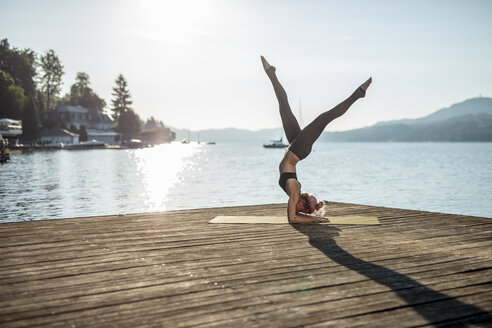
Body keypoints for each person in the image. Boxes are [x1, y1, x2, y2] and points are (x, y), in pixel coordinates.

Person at [261, 56, 372, 223]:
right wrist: (314, 219)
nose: (292, 207)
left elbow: (293, 218)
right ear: (301, 205)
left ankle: (271, 73)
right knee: (325, 117)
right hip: (298, 150)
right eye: (299, 209)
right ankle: (358, 94)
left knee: (283, 107)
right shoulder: (295, 190)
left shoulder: (294, 193)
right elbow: (293, 218)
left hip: (294, 147)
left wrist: (311, 218)